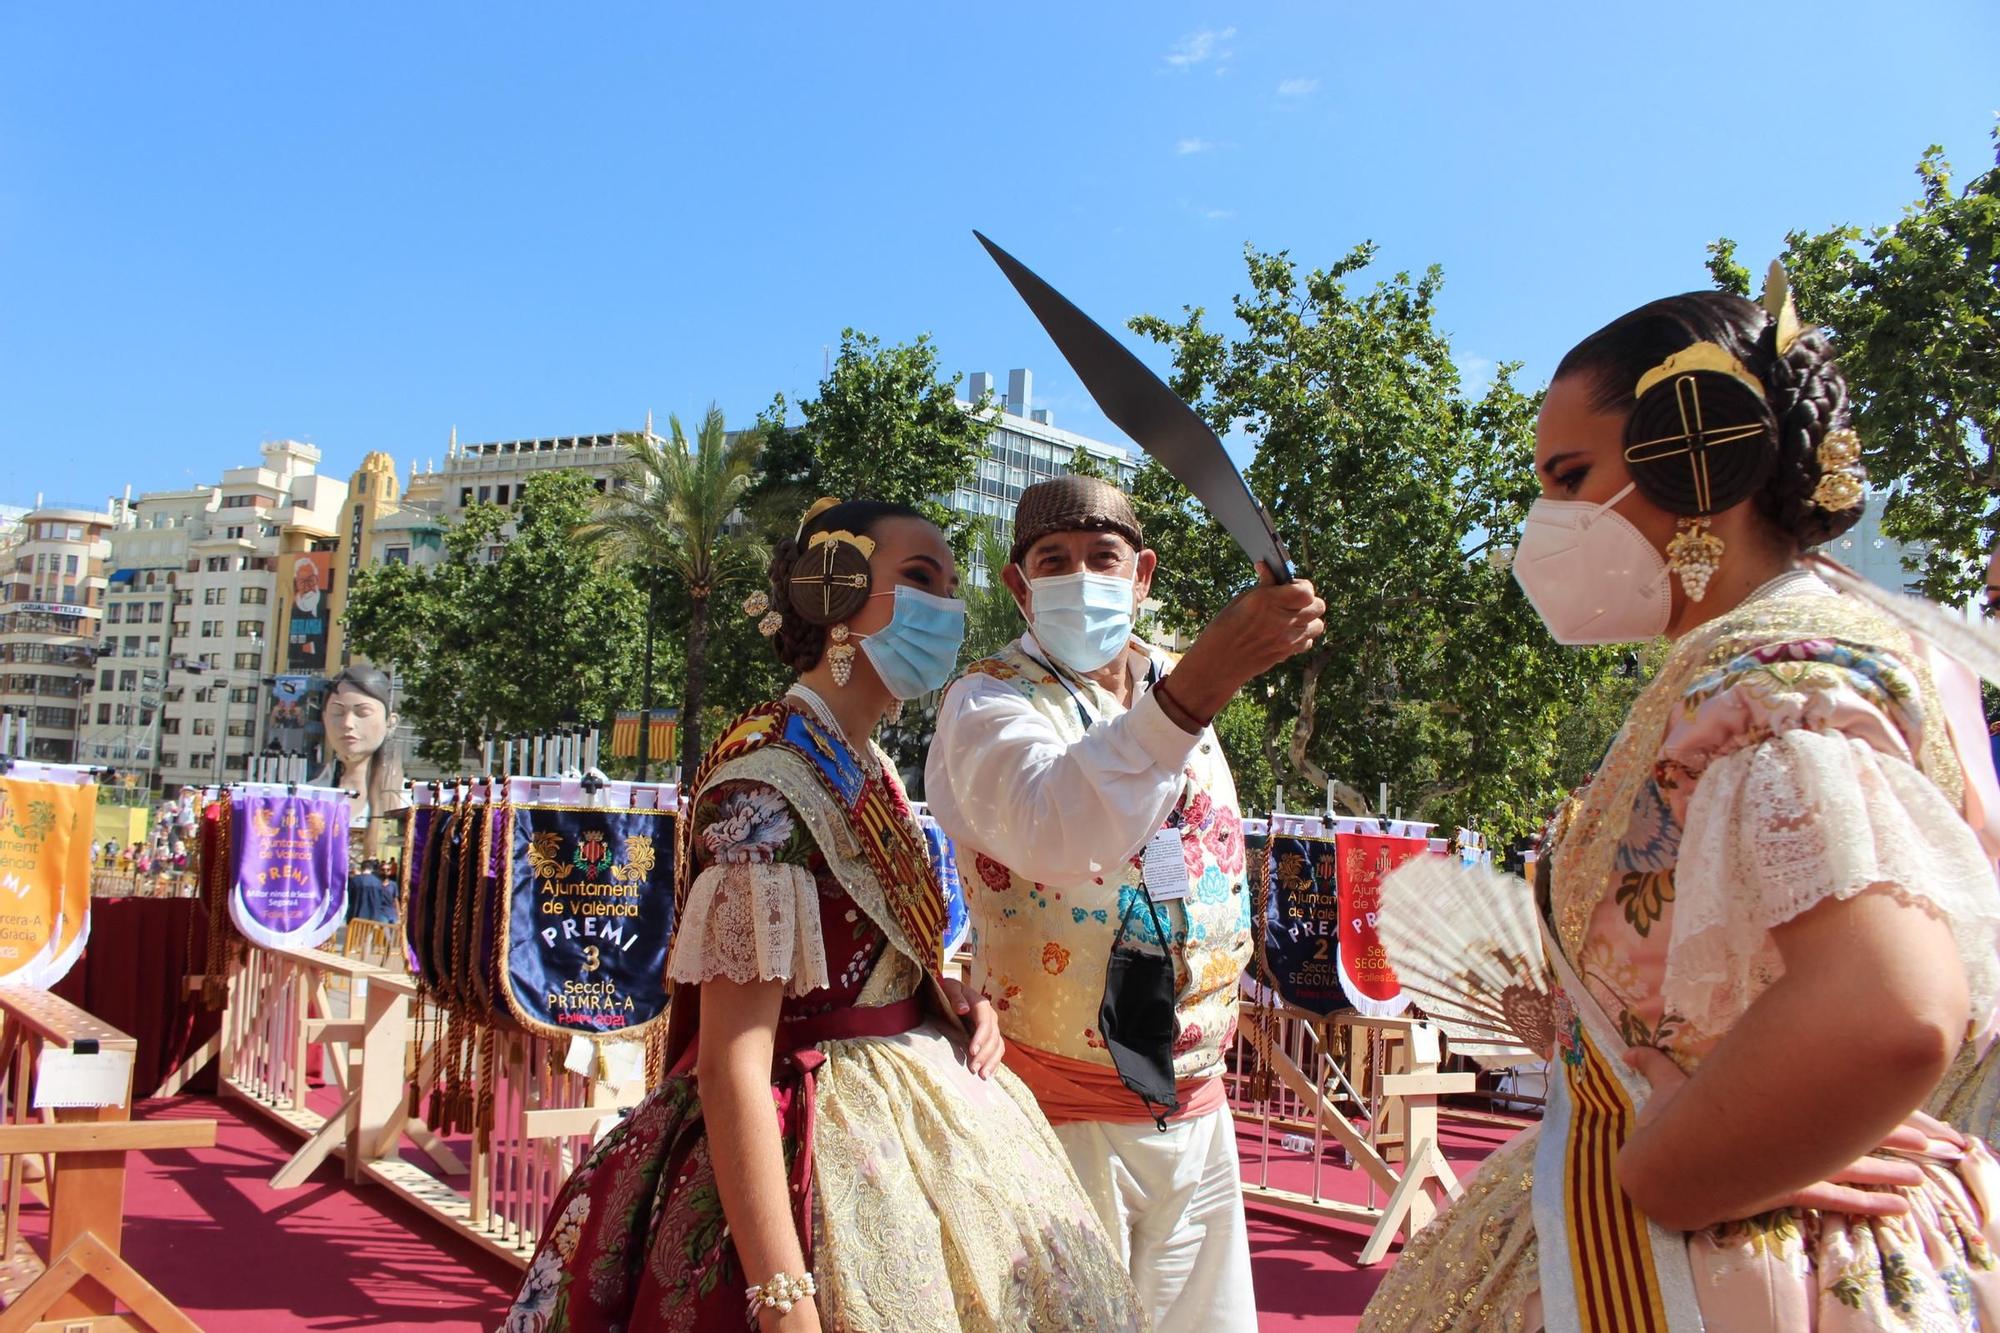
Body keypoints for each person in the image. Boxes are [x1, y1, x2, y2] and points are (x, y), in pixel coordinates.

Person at [1363, 281, 2000, 1330]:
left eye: (1570, 476)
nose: (1545, 520)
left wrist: (1670, 1165)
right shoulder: (1864, 648)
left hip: (1721, 1267)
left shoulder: (1768, 677)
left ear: (1695, 459)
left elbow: (1886, 1006)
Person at [501, 499, 1142, 1333]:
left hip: (924, 1116)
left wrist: (938, 995)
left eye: (950, 587)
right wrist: (782, 1293)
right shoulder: (766, 781)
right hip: (808, 1155)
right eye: (918, 579)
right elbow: (735, 1054)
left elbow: (855, 950)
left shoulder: (861, 761)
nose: (945, 609)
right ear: (837, 596)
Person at [925, 475, 1325, 1332]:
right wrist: (1199, 688)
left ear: (1141, 574)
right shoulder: (987, 700)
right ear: (1017, 583)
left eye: (1102, 558)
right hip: (1060, 1108)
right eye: (1052, 561)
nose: (1079, 577)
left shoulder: (1170, 684)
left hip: (1200, 1098)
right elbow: (1052, 825)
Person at [308, 665, 408, 858]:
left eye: (362, 713)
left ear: (391, 721)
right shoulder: (307, 797)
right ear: (324, 718)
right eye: (337, 712)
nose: (347, 724)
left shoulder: (409, 800)